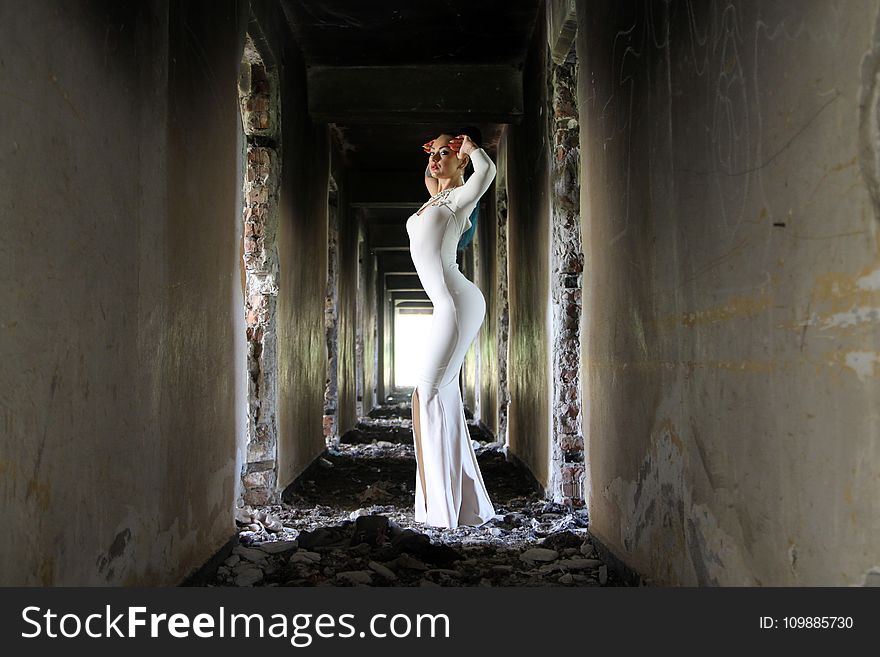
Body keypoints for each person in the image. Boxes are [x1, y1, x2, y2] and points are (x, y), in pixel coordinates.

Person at [405, 127, 497, 528]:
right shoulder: (437, 198)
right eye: (432, 152)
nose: (435, 158)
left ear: (462, 160)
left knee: (428, 392)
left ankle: (443, 510)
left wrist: (470, 149)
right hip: (447, 306)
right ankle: (462, 506)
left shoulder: (460, 201)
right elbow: (431, 177)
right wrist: (441, 155)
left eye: (446, 153)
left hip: (458, 305)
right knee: (436, 397)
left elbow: (486, 172)